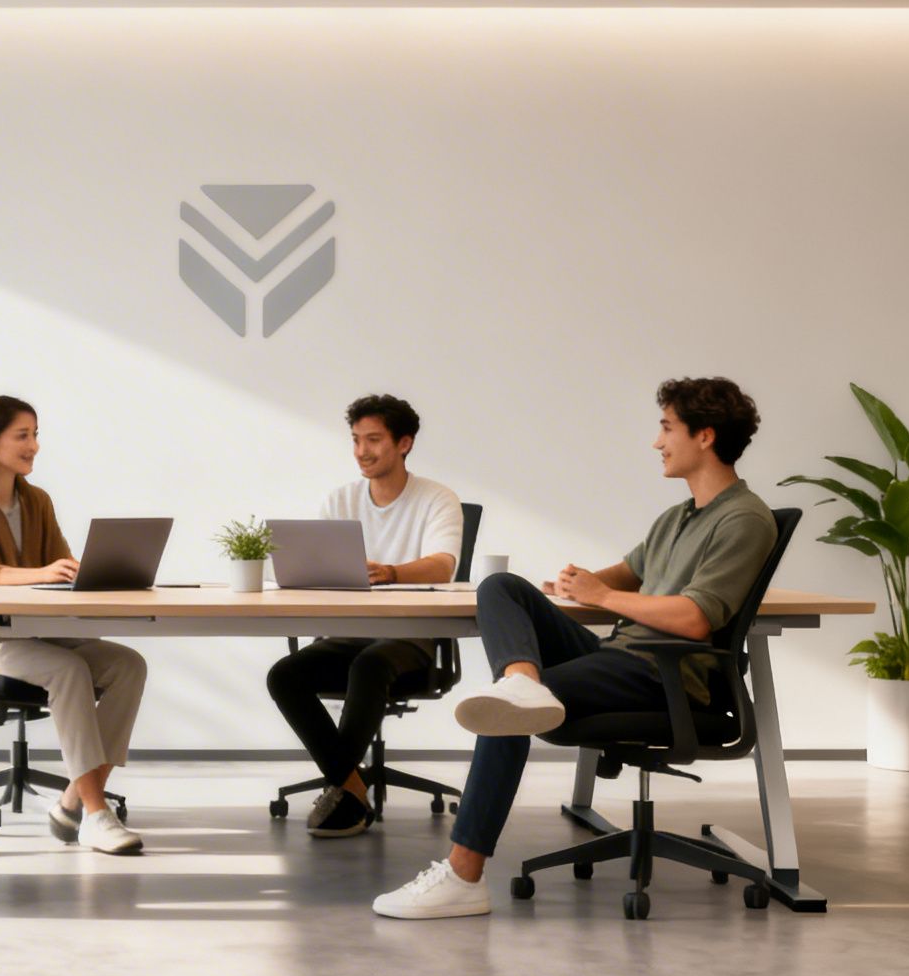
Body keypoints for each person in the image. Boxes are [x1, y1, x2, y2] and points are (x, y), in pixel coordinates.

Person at [372, 377, 776, 918]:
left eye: (666, 428)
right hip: (622, 657)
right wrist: (569, 586)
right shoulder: (680, 516)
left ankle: (464, 875)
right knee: (500, 587)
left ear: (705, 436)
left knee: (505, 714)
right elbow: (630, 573)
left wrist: (603, 594)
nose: (657, 442)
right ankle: (522, 679)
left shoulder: (744, 519)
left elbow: (696, 618)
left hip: (663, 675)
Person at [0, 395, 148, 856]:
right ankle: (94, 814)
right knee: (68, 670)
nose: (33, 446)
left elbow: (60, 563)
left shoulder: (37, 500)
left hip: (39, 631)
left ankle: (74, 797)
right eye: (23, 435)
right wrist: (43, 572)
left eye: (36, 435)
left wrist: (91, 571)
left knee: (128, 665)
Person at [266, 394, 464, 838]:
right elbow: (317, 568)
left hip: (411, 637)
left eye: (373, 440)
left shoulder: (437, 499)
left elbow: (442, 565)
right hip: (347, 633)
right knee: (284, 675)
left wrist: (392, 572)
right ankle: (352, 786)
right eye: (355, 440)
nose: (361, 451)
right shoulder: (340, 500)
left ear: (404, 443)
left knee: (370, 665)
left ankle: (343, 793)